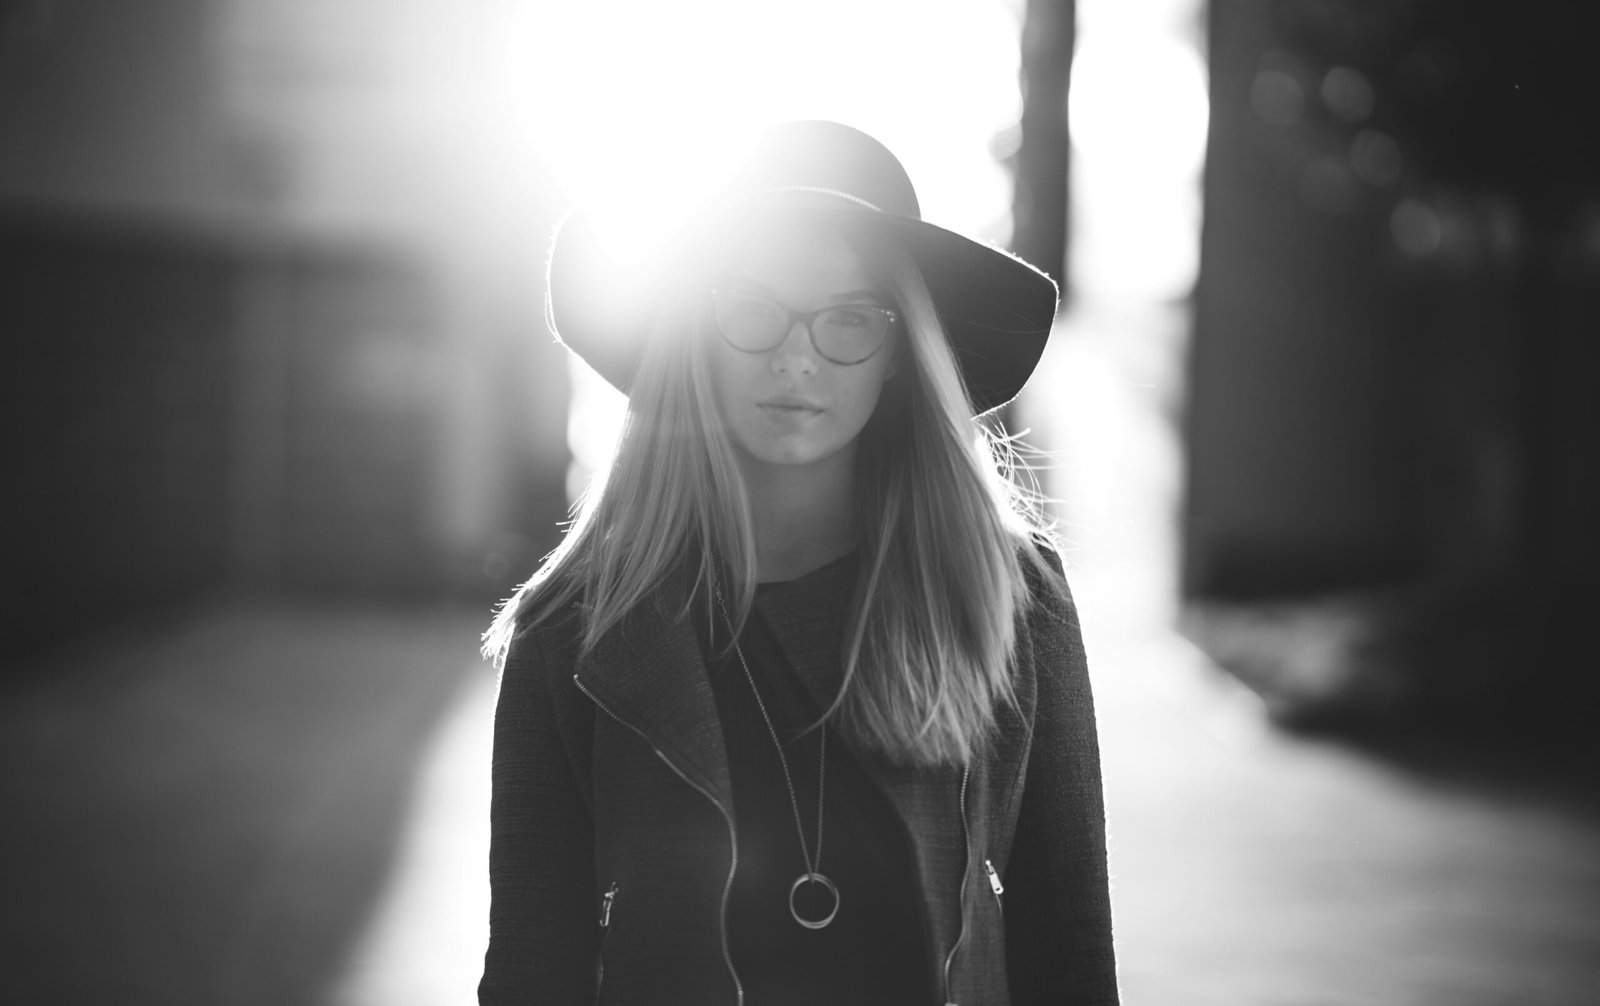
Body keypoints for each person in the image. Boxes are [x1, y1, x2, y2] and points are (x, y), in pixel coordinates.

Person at [478, 120, 1118, 1006]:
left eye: (849, 318)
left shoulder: (1009, 597)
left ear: (899, 353)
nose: (796, 357)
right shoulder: (574, 628)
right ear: (698, 330)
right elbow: (530, 968)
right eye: (754, 308)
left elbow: (1070, 950)